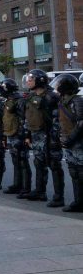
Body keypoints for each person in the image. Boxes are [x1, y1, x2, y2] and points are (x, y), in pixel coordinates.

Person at [24, 69, 64, 207]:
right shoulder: (31, 96)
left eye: (31, 80)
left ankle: (59, 197)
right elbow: (28, 116)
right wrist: (28, 135)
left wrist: (55, 138)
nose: (28, 82)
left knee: (54, 165)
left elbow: (58, 120)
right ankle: (40, 192)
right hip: (36, 135)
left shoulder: (52, 97)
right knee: (38, 163)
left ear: (39, 81)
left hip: (50, 136)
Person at [53, 74, 83, 212]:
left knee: (81, 172)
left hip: (78, 142)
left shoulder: (77, 101)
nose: (56, 87)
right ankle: (78, 202)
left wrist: (70, 138)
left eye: (59, 84)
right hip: (69, 142)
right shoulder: (63, 101)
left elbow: (81, 123)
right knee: (74, 172)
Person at [0, 78, 30, 198]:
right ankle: (17, 185)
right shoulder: (9, 100)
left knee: (23, 161)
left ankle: (26, 188)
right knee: (15, 160)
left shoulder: (19, 100)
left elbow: (24, 119)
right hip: (12, 134)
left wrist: (25, 135)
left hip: (19, 135)